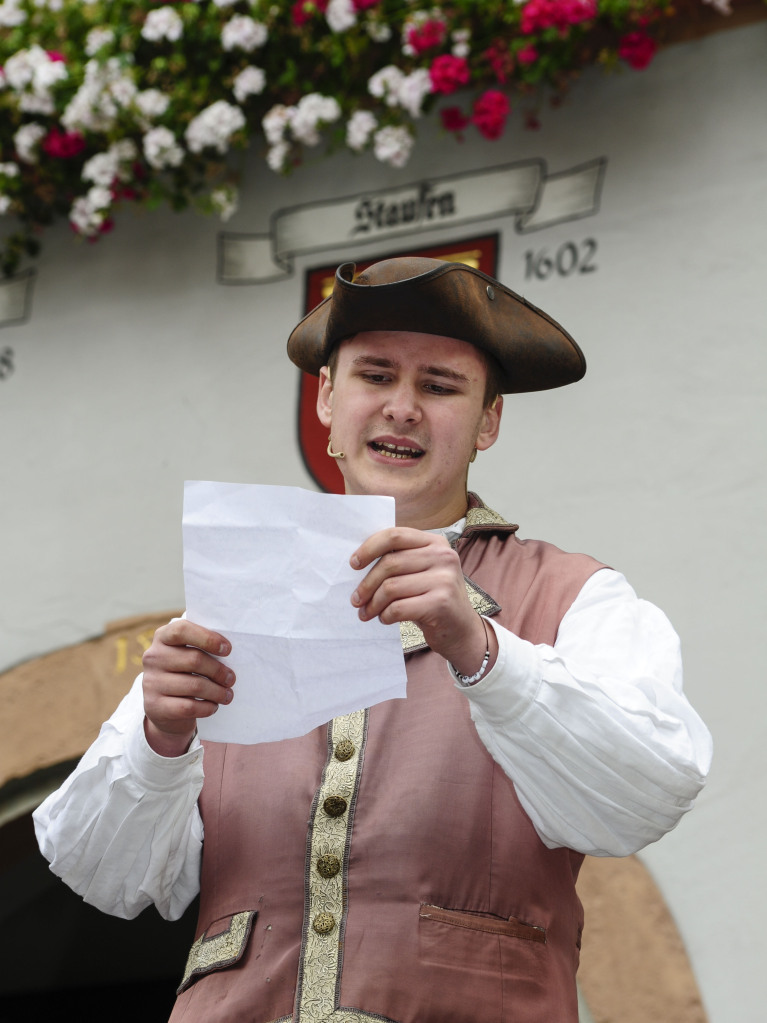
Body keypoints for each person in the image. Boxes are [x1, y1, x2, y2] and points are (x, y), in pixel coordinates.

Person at [34, 257, 712, 1023]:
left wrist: (481, 648)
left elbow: (650, 789)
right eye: (375, 376)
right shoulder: (235, 603)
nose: (402, 407)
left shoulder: (573, 594)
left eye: (439, 386)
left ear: (488, 421)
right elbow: (102, 871)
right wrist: (160, 736)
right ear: (326, 398)